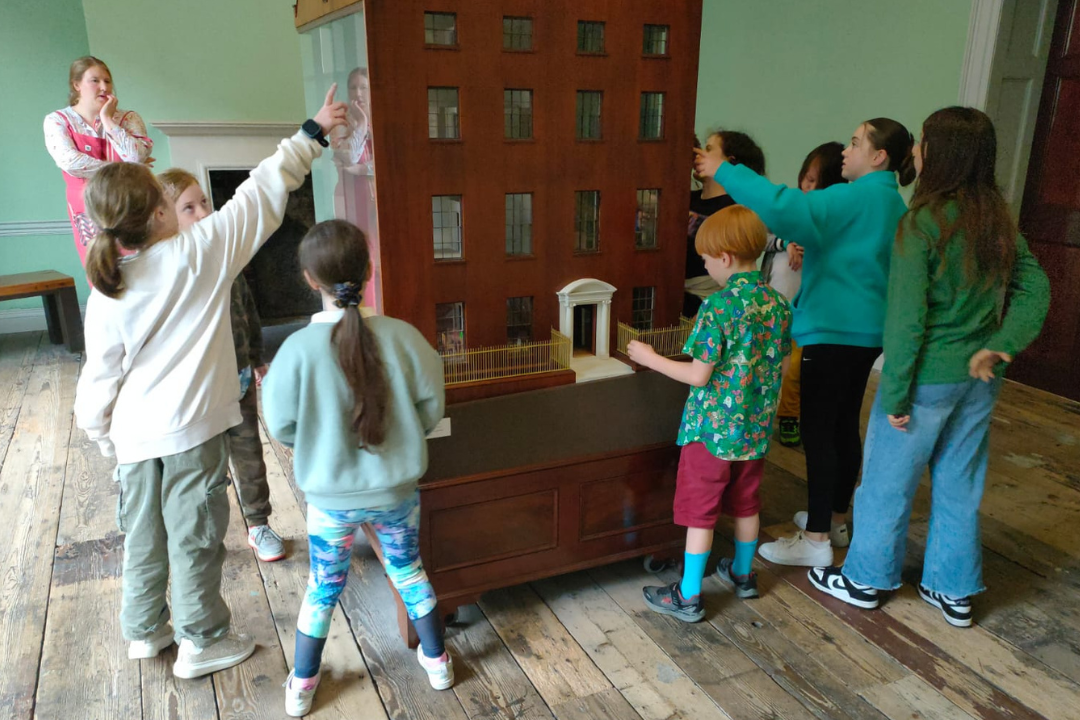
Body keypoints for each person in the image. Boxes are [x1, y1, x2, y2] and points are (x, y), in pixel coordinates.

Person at [73, 88, 347, 679]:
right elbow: (262, 192)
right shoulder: (200, 253)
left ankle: (145, 631)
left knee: (142, 536)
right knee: (196, 537)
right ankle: (202, 641)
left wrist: (101, 437)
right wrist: (312, 131)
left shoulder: (108, 286)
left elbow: (100, 374)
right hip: (189, 434)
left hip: (131, 438)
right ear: (159, 214)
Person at [808, 107, 1050, 627]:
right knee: (960, 482)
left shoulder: (920, 222)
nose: (915, 149)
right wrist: (1003, 344)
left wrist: (894, 395)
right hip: (979, 382)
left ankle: (865, 580)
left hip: (925, 381)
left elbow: (907, 321)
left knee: (885, 484)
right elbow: (1037, 289)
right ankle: (954, 591)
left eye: (922, 142)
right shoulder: (996, 220)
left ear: (940, 154)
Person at [695, 117, 915, 568]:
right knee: (841, 427)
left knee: (819, 433)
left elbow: (784, 206)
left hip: (832, 331)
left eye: (855, 144)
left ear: (879, 157)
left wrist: (725, 170)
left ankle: (814, 540)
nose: (844, 153)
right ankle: (833, 518)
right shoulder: (891, 204)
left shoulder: (852, 197)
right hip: (867, 334)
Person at [263, 220, 451, 716]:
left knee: (323, 586)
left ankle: (302, 687)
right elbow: (432, 408)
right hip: (396, 492)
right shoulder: (404, 337)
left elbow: (281, 424)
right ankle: (438, 664)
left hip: (329, 499)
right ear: (370, 271)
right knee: (409, 571)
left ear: (309, 279)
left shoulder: (295, 351)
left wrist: (316, 443)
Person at [630, 205, 791, 622]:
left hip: (712, 433)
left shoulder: (717, 307)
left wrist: (650, 358)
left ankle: (687, 595)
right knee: (746, 505)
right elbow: (782, 367)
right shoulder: (778, 303)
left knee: (701, 514)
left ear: (723, 258)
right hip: (754, 431)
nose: (704, 265)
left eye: (704, 259)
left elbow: (699, 375)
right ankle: (742, 574)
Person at [158, 168, 285, 562]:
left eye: (205, 203)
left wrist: (257, 356)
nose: (203, 214)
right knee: (204, 467)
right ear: (163, 217)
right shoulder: (171, 270)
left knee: (249, 453)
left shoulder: (226, 257)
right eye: (189, 208)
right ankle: (203, 535)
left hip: (240, 380)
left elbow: (247, 309)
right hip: (199, 394)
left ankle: (258, 523)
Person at [762, 142, 846, 448]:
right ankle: (762, 412)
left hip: (808, 310)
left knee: (796, 368)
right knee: (769, 362)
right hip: (774, 301)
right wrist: (787, 243)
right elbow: (762, 239)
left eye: (815, 182)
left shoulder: (834, 216)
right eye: (805, 178)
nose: (805, 186)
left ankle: (789, 416)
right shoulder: (790, 206)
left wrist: (813, 250)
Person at [44, 56, 153, 267]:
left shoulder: (128, 118)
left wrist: (107, 120)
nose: (104, 87)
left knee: (141, 267)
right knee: (102, 268)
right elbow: (70, 162)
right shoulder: (57, 121)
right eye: (95, 80)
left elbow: (136, 156)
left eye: (107, 80)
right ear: (77, 85)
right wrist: (123, 169)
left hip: (131, 202)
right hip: (87, 206)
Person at [684, 130, 767, 317]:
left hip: (705, 300)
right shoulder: (687, 198)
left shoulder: (735, 209)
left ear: (728, 162)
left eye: (708, 149)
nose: (699, 153)